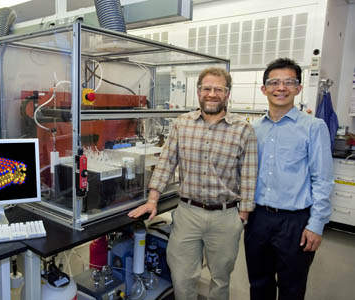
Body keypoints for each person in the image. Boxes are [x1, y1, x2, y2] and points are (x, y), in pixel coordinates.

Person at [128, 67, 258, 300]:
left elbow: (248, 175)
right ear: (198, 92)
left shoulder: (243, 129)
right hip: (188, 213)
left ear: (227, 93)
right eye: (207, 88)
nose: (212, 94)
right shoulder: (182, 123)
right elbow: (167, 162)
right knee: (182, 276)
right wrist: (152, 200)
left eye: (219, 89)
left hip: (226, 216)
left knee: (220, 279)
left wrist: (243, 216)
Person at [244, 58, 334, 300]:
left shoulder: (314, 127)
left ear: (298, 88)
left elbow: (323, 180)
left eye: (288, 82)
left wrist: (316, 225)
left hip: (295, 223)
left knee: (292, 289)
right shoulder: (253, 129)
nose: (280, 88)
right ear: (264, 89)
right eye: (274, 82)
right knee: (258, 284)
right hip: (257, 220)